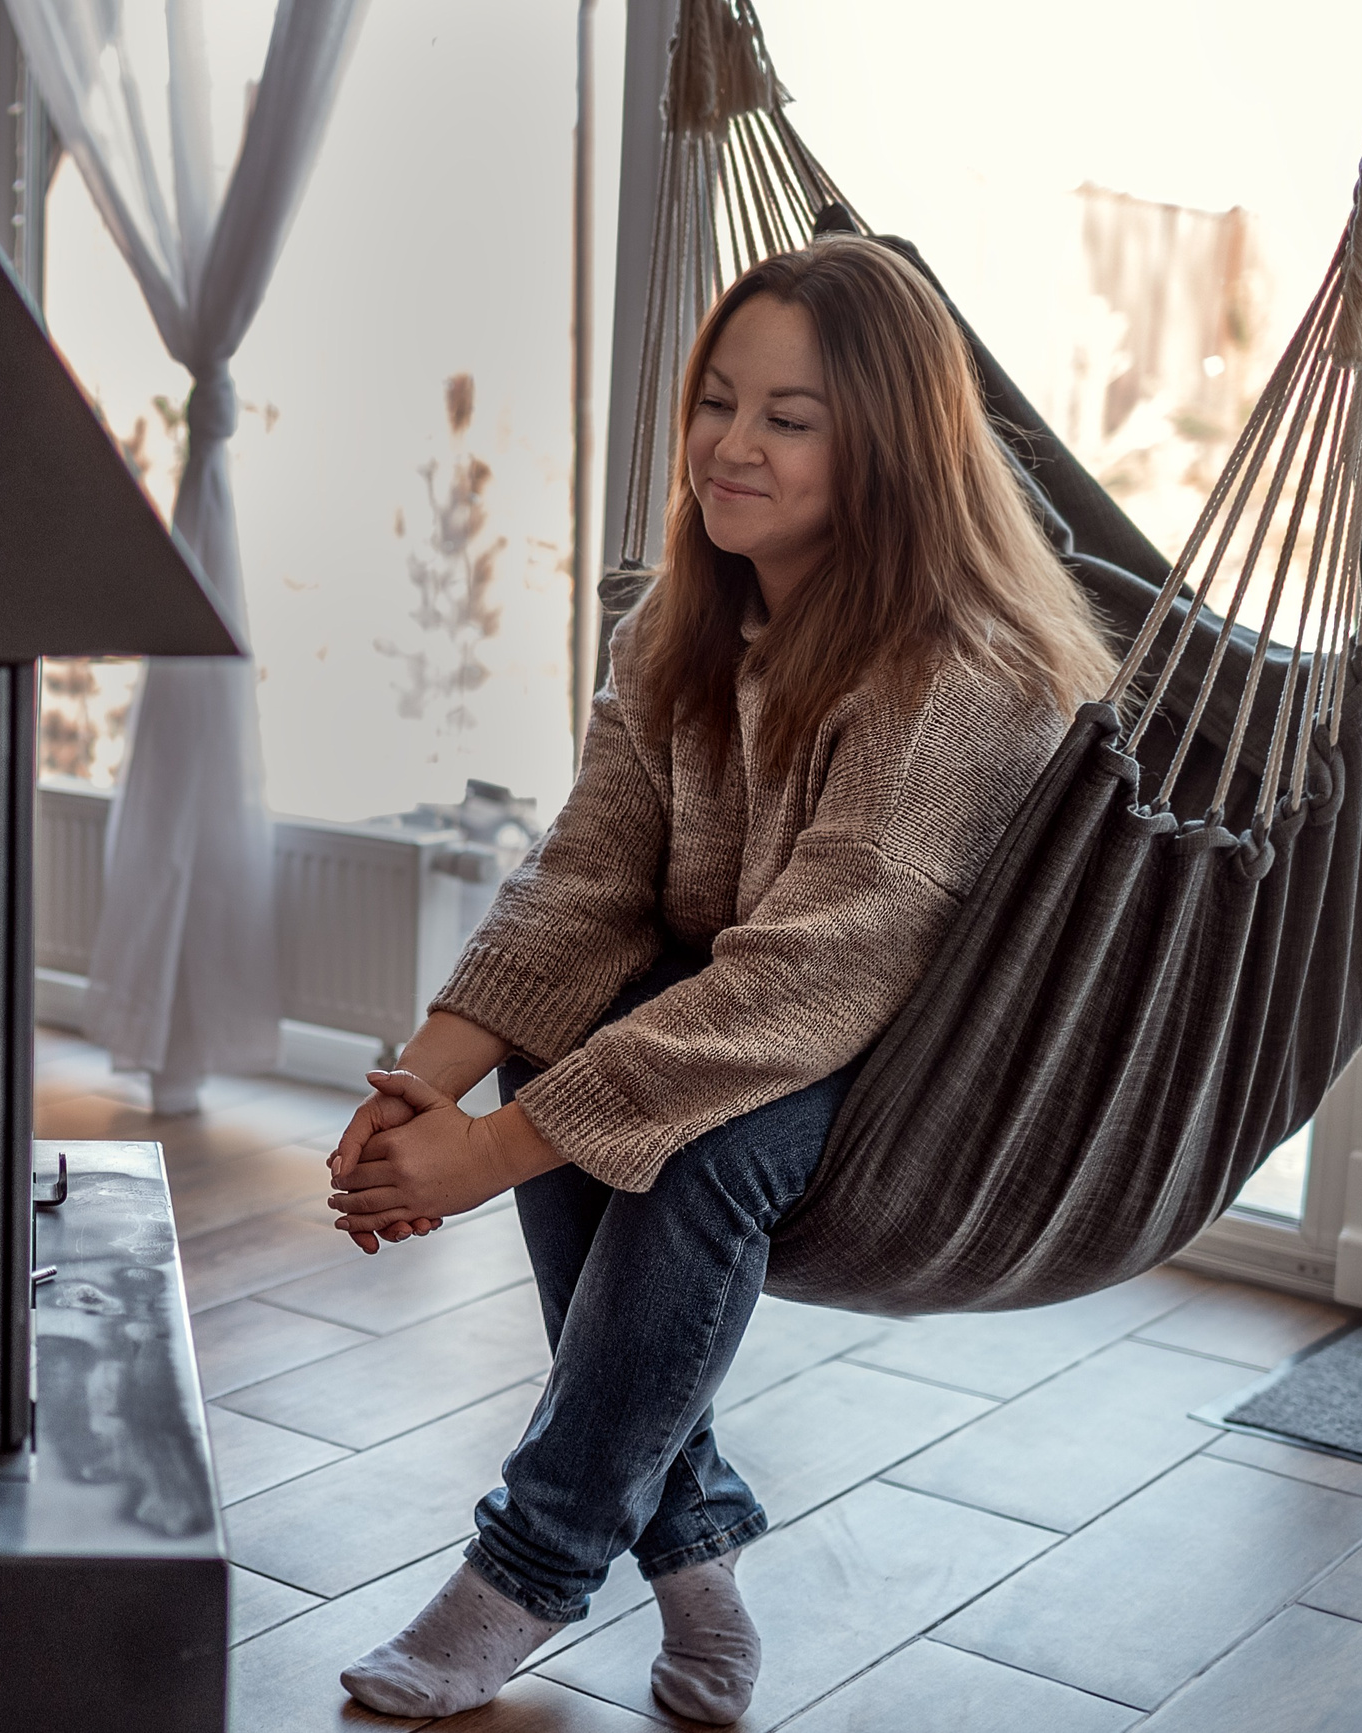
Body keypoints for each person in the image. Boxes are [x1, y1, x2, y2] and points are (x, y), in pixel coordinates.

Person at [326, 234, 1115, 1724]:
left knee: (683, 1148)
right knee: (555, 1056)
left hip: (910, 1068)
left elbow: (811, 979)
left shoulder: (965, 672)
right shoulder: (678, 623)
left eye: (789, 417)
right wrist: (418, 1087)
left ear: (884, 445)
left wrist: (488, 1159)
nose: (730, 444)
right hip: (744, 1004)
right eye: (716, 401)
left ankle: (526, 1570)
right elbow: (586, 880)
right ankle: (693, 1554)